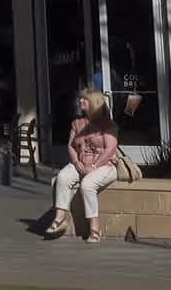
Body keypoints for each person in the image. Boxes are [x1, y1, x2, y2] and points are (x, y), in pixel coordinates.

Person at [47, 87, 119, 242]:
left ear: (94, 102)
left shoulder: (107, 124)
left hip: (105, 165)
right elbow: (71, 146)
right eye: (80, 99)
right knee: (63, 177)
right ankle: (60, 218)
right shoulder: (77, 122)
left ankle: (94, 228)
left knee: (87, 184)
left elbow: (110, 149)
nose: (80, 101)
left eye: (84, 99)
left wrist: (94, 165)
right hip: (82, 162)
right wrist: (76, 162)